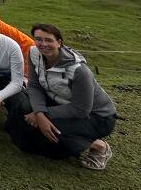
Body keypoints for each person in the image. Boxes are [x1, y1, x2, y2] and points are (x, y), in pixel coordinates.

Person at [8, 23, 117, 169]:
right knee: (23, 107)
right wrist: (40, 113)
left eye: (48, 40)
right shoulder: (34, 53)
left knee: (54, 130)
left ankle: (98, 146)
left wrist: (43, 114)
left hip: (96, 116)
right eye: (38, 39)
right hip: (59, 104)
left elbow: (81, 109)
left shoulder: (79, 71)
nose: (43, 44)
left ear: (59, 42)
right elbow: (34, 85)